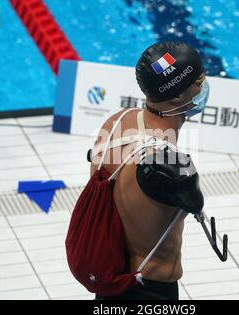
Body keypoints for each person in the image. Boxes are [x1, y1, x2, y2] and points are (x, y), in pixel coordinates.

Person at [90, 41, 209, 300]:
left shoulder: (116, 122)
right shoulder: (171, 167)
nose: (204, 87)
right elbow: (193, 203)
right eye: (199, 82)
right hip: (152, 291)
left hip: (110, 283)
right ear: (177, 95)